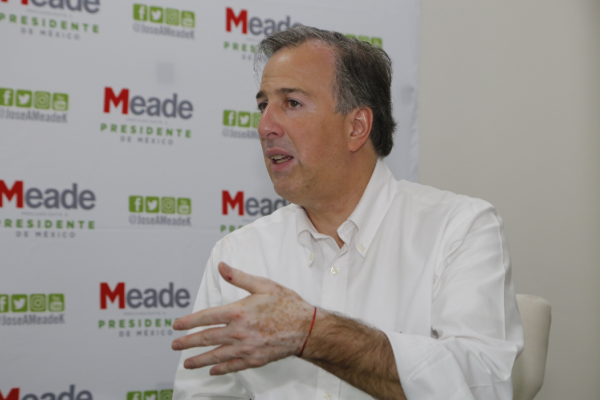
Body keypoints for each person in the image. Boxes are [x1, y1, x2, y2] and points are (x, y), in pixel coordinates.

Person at [171, 26, 523, 400]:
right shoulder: (238, 254)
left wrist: (313, 333)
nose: (265, 127)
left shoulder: (460, 229)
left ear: (356, 127)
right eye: (263, 106)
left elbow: (482, 387)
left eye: (292, 103)